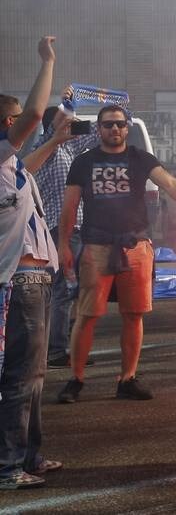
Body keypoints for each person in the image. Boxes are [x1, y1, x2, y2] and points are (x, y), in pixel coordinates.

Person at [57, 102, 176, 404]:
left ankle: (127, 379)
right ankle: (76, 380)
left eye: (119, 124)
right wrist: (63, 244)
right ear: (99, 129)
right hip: (97, 246)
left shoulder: (140, 158)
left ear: (127, 127)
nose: (114, 129)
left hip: (136, 246)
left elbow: (171, 184)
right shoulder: (84, 162)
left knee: (133, 316)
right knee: (87, 315)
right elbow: (70, 206)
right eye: (108, 124)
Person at [0, 37, 63, 489]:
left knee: (33, 376)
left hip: (35, 277)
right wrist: (48, 62)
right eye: (16, 115)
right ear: (8, 122)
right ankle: (7, 467)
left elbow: (30, 165)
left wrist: (57, 139)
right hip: (20, 279)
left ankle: (30, 455)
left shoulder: (11, 166)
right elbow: (36, 115)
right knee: (22, 377)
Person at [33, 96, 98, 369]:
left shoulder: (68, 151)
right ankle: (57, 351)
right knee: (63, 290)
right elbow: (54, 131)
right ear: (55, 127)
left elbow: (94, 137)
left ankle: (67, 347)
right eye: (68, 123)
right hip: (61, 231)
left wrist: (119, 112)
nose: (73, 127)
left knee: (75, 290)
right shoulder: (47, 150)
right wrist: (67, 105)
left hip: (77, 230)